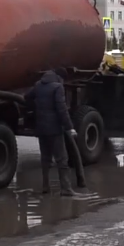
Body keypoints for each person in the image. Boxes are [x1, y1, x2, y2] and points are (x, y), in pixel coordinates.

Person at [27, 67, 76, 196]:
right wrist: (69, 127)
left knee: (45, 158)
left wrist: (36, 111)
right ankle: (65, 189)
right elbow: (62, 109)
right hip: (54, 129)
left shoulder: (38, 85)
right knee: (62, 159)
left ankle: (45, 187)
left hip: (41, 128)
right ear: (60, 78)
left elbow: (27, 97)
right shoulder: (58, 87)